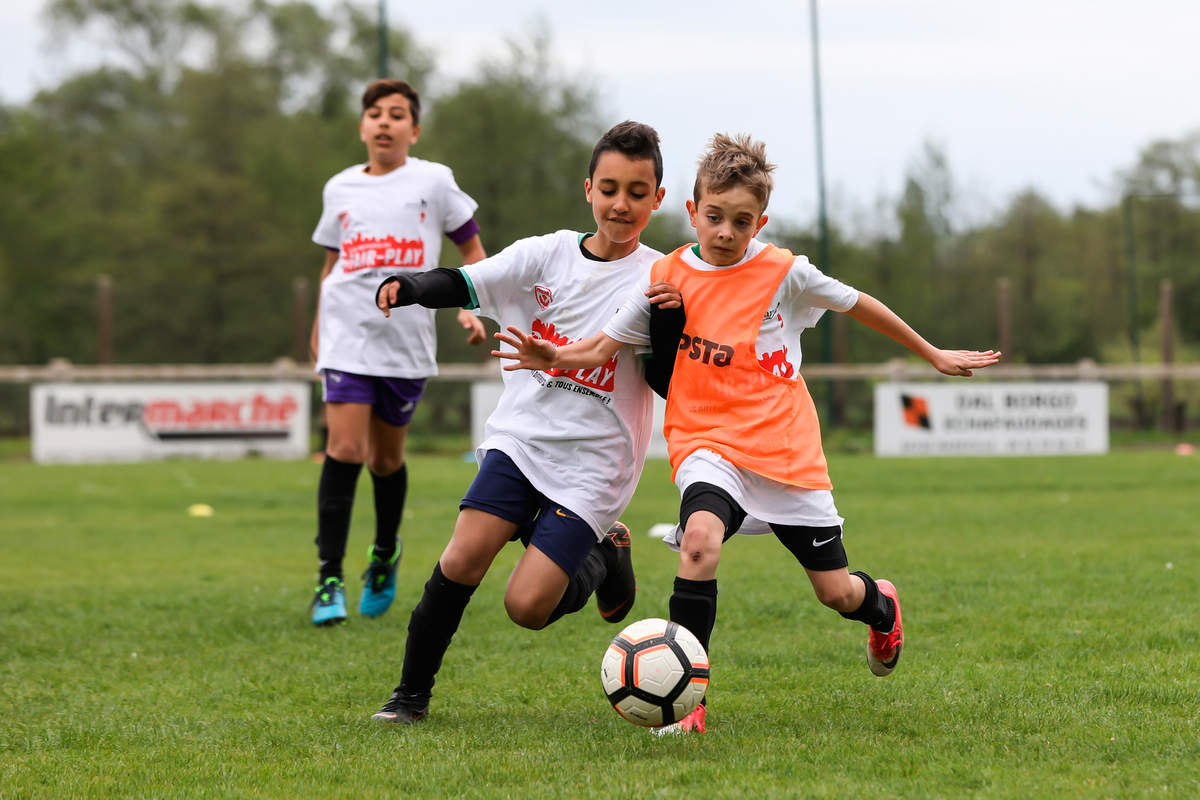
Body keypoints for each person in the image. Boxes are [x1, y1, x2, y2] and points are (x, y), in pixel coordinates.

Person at [494, 133, 1001, 734]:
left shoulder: (784, 272)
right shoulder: (666, 274)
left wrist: (930, 351)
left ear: (760, 220)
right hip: (707, 446)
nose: (726, 233)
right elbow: (604, 344)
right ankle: (689, 705)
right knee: (699, 542)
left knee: (835, 593)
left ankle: (880, 605)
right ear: (691, 211)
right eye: (714, 218)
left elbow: (860, 304)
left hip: (785, 451)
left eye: (741, 221)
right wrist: (552, 353)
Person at [368, 121, 684, 724]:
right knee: (462, 559)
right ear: (588, 188)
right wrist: (408, 285)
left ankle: (606, 552)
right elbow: (464, 282)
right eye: (610, 188)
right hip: (522, 440)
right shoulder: (545, 254)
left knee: (527, 606)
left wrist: (668, 327)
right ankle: (409, 698)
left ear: (657, 200)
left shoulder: (665, 279)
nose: (621, 205)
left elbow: (667, 383)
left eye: (637, 193)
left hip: (594, 464)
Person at [308, 79, 488, 626]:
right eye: (375, 114)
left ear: (414, 129)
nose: (384, 123)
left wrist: (468, 304)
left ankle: (384, 553)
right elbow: (330, 267)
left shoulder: (433, 181)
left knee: (386, 460)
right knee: (344, 449)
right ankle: (328, 579)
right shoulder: (338, 188)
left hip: (404, 342)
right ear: (362, 126)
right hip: (345, 336)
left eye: (397, 115)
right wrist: (319, 327)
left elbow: (472, 247)